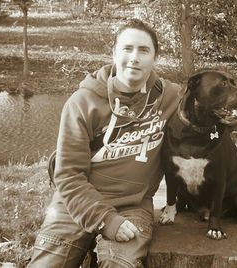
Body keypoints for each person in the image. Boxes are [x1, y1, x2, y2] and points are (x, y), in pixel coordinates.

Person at [28, 19, 182, 268]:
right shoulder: (82, 102)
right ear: (113, 53)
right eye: (127, 49)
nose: (134, 57)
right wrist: (105, 221)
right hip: (76, 202)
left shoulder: (170, 97)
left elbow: (202, 112)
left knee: (118, 265)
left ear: (155, 57)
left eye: (144, 50)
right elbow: (67, 175)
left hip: (133, 205)